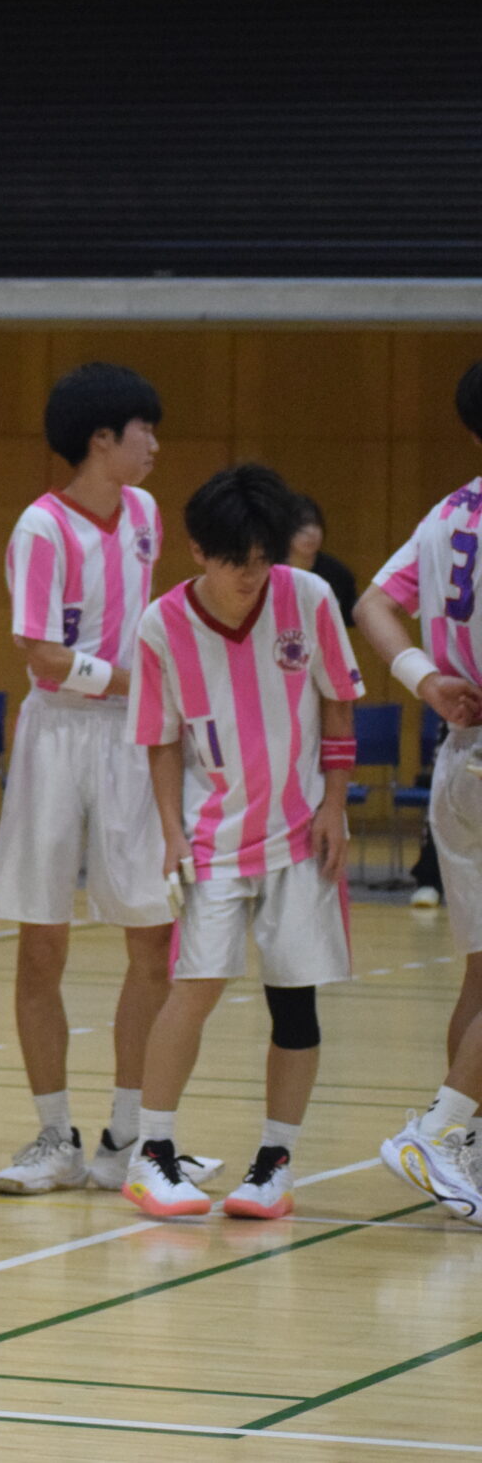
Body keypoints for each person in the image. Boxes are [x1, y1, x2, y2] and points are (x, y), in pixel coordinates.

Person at [0, 364, 217, 1195]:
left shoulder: (148, 515)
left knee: (152, 935)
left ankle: (128, 1133)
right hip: (58, 735)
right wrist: (142, 683)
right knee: (41, 937)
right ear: (101, 439)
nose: (155, 444)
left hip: (131, 736)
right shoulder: (41, 529)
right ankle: (54, 1136)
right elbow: (43, 654)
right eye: (144, 430)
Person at [123, 463, 361, 1222]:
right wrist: (168, 831)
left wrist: (335, 804)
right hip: (212, 833)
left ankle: (274, 1163)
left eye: (264, 560)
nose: (253, 576)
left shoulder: (310, 597)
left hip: (300, 832)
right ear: (197, 551)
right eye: (237, 562)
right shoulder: (161, 624)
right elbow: (159, 741)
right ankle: (152, 1153)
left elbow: (338, 701)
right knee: (194, 987)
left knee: (295, 998)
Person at [358, 357, 482, 1223]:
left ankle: (463, 1142)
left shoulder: (449, 512)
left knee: (479, 974)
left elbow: (370, 603)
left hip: (457, 757)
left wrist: (424, 677)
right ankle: (440, 1129)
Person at [289, 496, 359, 621]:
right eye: (301, 527)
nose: (311, 533)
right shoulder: (267, 572)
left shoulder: (339, 574)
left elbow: (349, 619)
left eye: (316, 525)